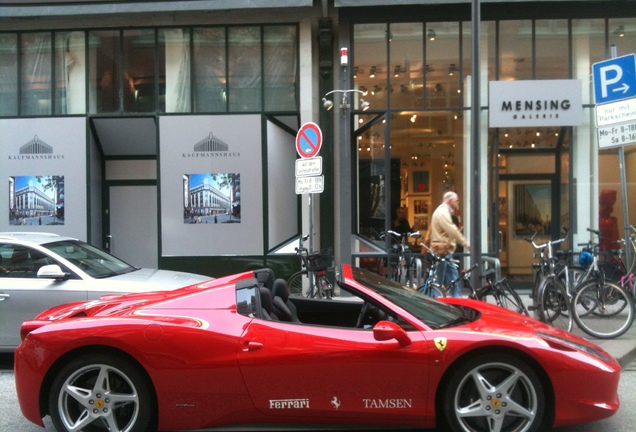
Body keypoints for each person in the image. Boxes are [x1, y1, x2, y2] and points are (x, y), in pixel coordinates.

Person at [426, 191, 470, 297]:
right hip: (443, 251)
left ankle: (452, 300)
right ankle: (438, 302)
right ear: (450, 201)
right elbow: (452, 229)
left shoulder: (441, 211)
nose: (457, 204)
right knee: (444, 279)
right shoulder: (443, 213)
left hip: (443, 250)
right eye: (456, 201)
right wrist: (465, 242)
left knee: (449, 278)